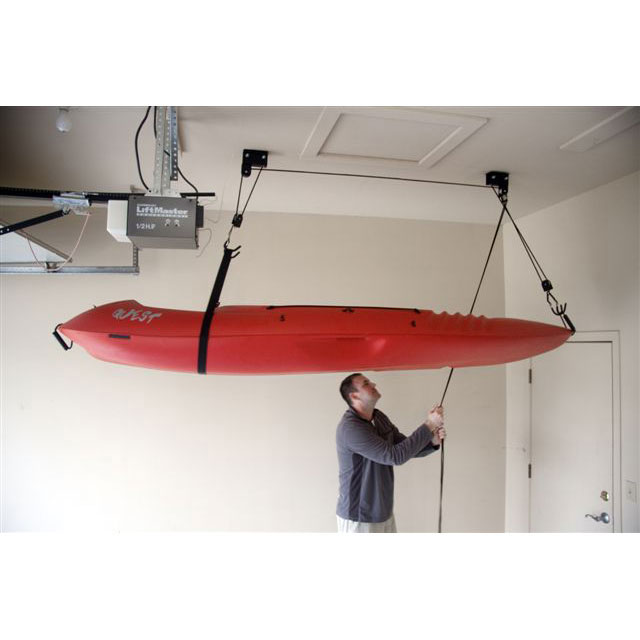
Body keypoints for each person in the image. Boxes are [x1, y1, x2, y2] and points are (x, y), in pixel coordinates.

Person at [336, 373, 446, 533]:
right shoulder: (351, 429)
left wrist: (432, 441)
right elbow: (395, 456)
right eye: (366, 383)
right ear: (354, 396)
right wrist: (429, 424)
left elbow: (403, 446)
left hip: (383, 512)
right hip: (359, 518)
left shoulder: (378, 417)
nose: (373, 384)